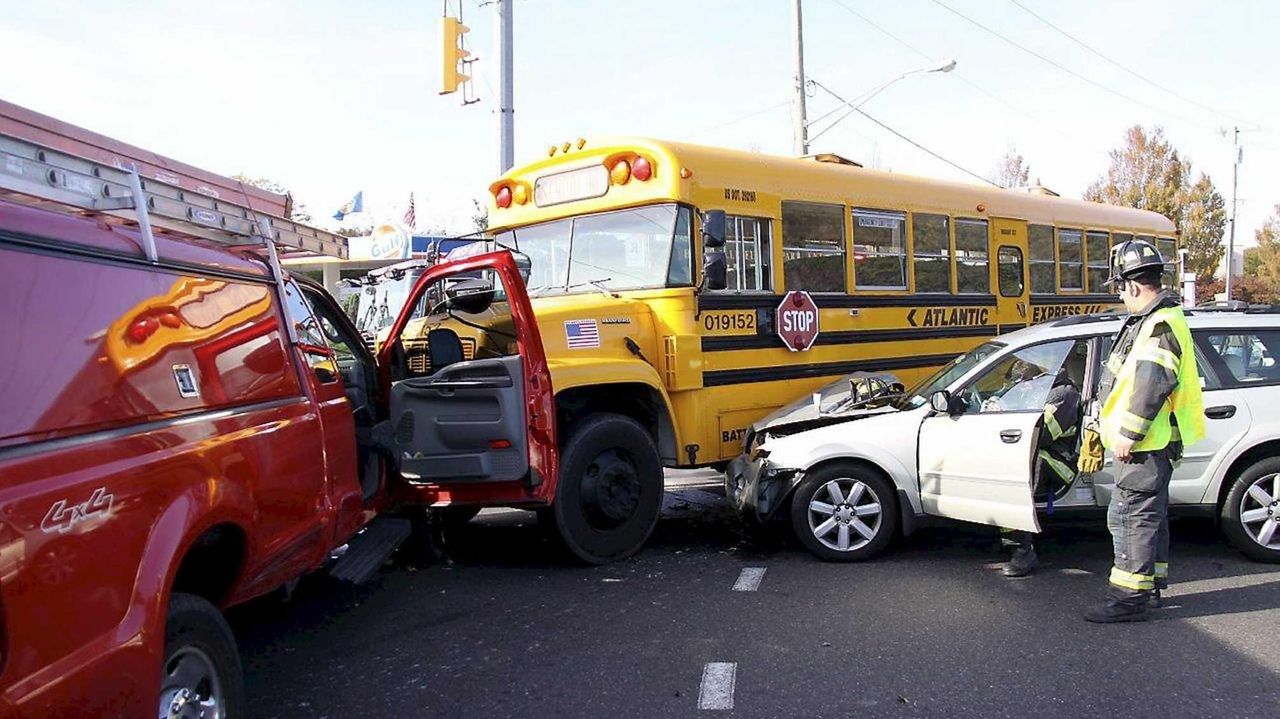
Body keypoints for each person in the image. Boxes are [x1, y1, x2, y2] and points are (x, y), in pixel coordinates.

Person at [1084, 239, 1205, 623]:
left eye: (1119, 288)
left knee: (1129, 519)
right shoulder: (1156, 320)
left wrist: (1128, 434)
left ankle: (1128, 600)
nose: (1120, 297)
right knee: (1147, 517)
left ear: (1133, 286)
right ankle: (1149, 587)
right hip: (1152, 445)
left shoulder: (1159, 324)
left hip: (1145, 445)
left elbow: (1151, 384)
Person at [1001, 348, 1084, 577]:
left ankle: (1022, 551)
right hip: (1045, 454)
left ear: (1039, 377)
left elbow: (1043, 435)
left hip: (1060, 463)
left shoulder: (1063, 395)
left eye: (1024, 383)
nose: (1022, 388)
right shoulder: (1041, 391)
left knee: (1014, 482)